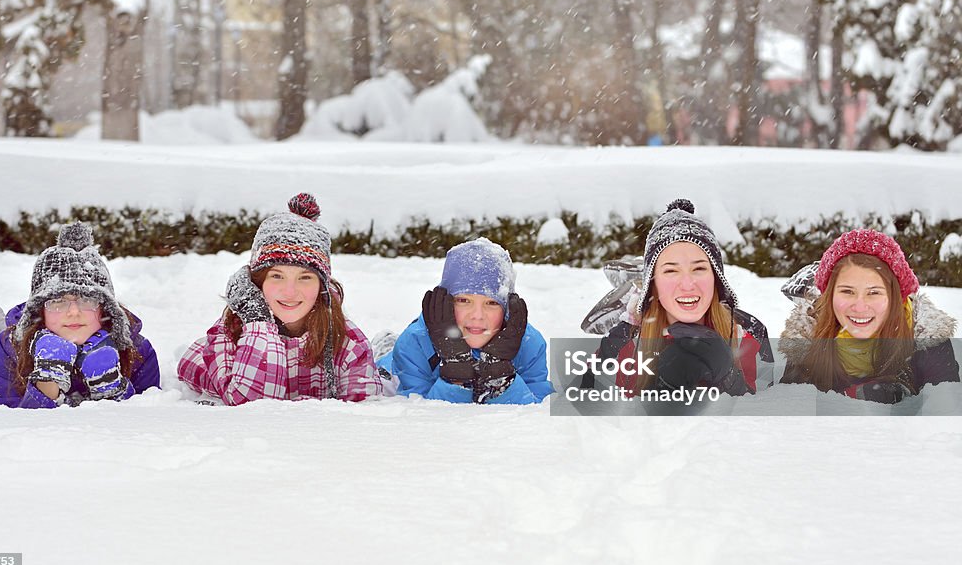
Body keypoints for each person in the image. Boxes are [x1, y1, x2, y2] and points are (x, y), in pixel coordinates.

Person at [178, 193, 382, 405]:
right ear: (257, 283)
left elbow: (365, 410)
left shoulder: (347, 340)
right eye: (277, 276)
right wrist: (258, 322)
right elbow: (253, 406)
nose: (290, 291)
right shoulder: (229, 334)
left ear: (322, 287)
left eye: (305, 278)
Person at [0, 223, 160, 408]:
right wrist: (47, 382)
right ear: (41, 311)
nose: (73, 311)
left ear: (105, 309)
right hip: (21, 346)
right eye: (58, 301)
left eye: (87, 300)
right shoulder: (10, 347)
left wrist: (111, 387)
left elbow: (143, 418)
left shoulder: (137, 351)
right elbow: (10, 422)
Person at [586, 199, 772, 396]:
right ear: (653, 283)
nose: (687, 284)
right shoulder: (623, 342)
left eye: (699, 268)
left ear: (716, 278)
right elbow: (587, 410)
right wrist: (657, 393)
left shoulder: (750, 334)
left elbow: (770, 409)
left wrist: (728, 380)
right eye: (671, 271)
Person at [779, 228, 959, 403]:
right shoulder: (807, 339)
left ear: (895, 296)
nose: (859, 307)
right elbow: (787, 416)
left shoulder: (927, 342)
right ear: (830, 296)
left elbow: (944, 417)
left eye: (873, 293)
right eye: (847, 291)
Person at [377, 238, 553, 404]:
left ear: (507, 308)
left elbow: (537, 409)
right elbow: (417, 413)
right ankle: (386, 346)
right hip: (400, 365)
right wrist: (455, 375)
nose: (477, 315)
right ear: (446, 302)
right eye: (463, 301)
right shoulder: (415, 342)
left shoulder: (529, 343)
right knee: (385, 380)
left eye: (491, 303)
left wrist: (500, 378)